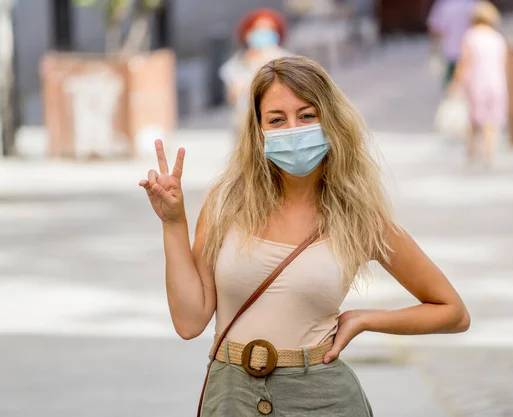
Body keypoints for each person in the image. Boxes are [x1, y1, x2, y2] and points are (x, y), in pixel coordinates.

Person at [139, 56, 470, 416]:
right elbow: (189, 322)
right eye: (277, 120)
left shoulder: (359, 216)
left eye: (307, 115)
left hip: (322, 398)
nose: (293, 129)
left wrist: (365, 319)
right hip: (231, 396)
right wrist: (173, 222)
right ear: (259, 130)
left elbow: (453, 312)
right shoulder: (226, 201)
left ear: (330, 120)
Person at [219, 8, 292, 137]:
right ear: (247, 33)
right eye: (259, 29)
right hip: (244, 128)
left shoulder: (286, 60)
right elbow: (231, 98)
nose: (264, 34)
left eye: (270, 29)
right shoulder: (234, 64)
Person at [451, 1, 507, 165]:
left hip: (477, 83)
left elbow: (464, 62)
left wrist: (456, 82)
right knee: (491, 120)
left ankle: (471, 152)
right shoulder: (497, 38)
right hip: (496, 83)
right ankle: (489, 153)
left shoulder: (471, 36)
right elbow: (502, 63)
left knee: (474, 120)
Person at [427, 0, 477, 87]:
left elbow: (435, 28)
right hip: (470, 53)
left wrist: (433, 49)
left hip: (451, 51)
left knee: (451, 89)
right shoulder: (472, 3)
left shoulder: (443, 4)